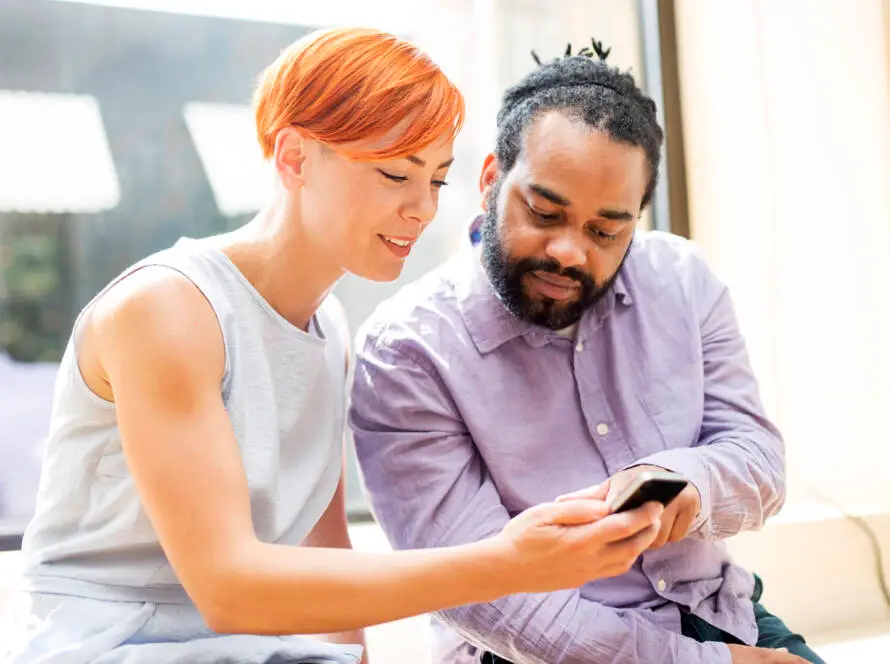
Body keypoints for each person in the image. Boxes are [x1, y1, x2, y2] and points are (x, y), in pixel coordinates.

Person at [7, 29, 665, 664]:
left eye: (436, 179)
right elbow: (228, 589)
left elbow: (326, 554)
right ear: (294, 157)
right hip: (113, 647)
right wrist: (509, 564)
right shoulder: (166, 311)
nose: (423, 208)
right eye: (394, 175)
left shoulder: (328, 333)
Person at [349, 42, 826, 664]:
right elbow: (483, 599)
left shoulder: (680, 278)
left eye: (606, 230)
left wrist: (686, 486)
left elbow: (759, 460)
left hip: (714, 608)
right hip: (525, 651)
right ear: (492, 179)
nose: (571, 252)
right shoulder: (407, 350)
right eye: (545, 212)